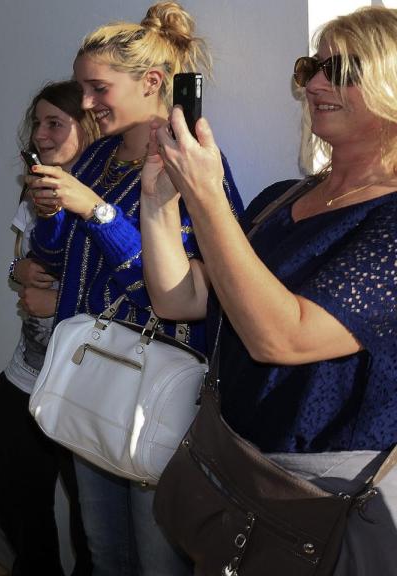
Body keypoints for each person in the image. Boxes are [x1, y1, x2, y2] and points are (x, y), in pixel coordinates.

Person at [140, 7, 397, 574]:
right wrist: (160, 201)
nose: (316, 84)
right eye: (312, 67)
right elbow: (180, 301)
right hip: (232, 468)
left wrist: (207, 199)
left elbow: (280, 338)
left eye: (343, 68)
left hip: (321, 502)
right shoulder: (283, 197)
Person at [27, 3, 243, 574]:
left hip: (157, 397)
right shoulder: (96, 155)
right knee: (104, 553)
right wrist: (50, 211)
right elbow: (51, 258)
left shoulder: (194, 165)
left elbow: (178, 297)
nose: (88, 103)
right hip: (89, 375)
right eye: (81, 88)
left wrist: (97, 212)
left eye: (98, 88)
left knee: (158, 562)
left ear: (152, 82)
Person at [0, 80, 97, 576]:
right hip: (25, 377)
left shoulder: (105, 199)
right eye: (38, 123)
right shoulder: (36, 191)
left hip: (85, 391)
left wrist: (58, 297)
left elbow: (138, 286)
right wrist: (19, 274)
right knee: (10, 495)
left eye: (56, 123)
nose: (42, 134)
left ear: (89, 126)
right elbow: (19, 266)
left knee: (92, 526)